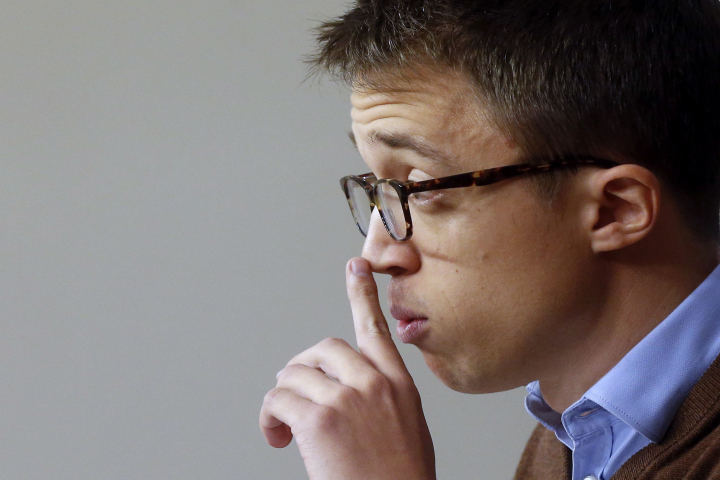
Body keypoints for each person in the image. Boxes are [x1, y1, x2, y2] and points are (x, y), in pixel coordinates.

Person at [259, 0, 720, 478]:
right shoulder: (579, 435)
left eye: (419, 186)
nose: (376, 253)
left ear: (613, 211)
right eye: (378, 190)